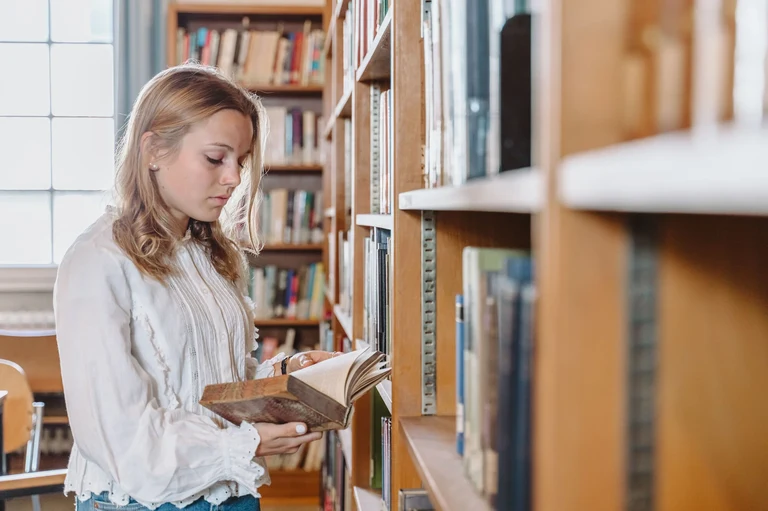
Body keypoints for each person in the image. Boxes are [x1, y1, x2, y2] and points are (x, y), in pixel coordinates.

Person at [53, 63, 335, 511]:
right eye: (215, 158)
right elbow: (121, 440)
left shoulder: (207, 254)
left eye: (240, 161)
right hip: (143, 503)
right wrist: (243, 447)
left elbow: (216, 389)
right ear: (153, 151)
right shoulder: (97, 261)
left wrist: (290, 375)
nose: (234, 178)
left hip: (230, 493)